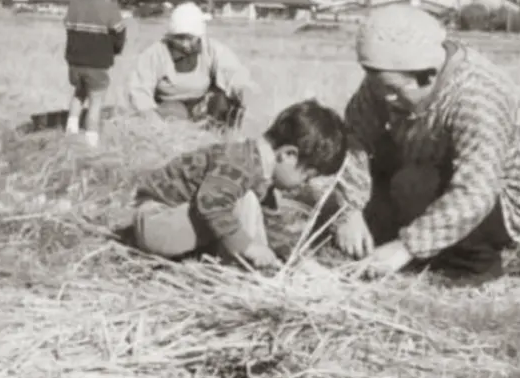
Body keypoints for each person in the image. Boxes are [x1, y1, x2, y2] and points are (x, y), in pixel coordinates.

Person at [332, 3, 520, 286]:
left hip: (499, 197)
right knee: (389, 177)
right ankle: (408, 241)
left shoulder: (477, 97)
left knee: (412, 184)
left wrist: (406, 247)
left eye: (395, 92)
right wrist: (348, 211)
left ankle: (473, 267)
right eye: (378, 86)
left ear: (429, 75)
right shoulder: (387, 82)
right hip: (426, 163)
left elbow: (476, 192)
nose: (385, 99)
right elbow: (356, 141)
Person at [115, 99, 348, 269]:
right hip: (156, 222)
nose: (302, 186)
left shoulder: (259, 174)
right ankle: (237, 273)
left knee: (247, 206)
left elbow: (267, 227)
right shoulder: (239, 163)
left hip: (174, 221)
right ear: (288, 154)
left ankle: (243, 266)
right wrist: (249, 247)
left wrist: (289, 255)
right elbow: (211, 203)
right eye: (307, 176)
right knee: (243, 202)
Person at [127, 1, 253, 128]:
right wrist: (151, 118)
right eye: (179, 38)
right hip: (170, 107)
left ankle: (219, 140)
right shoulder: (155, 54)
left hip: (203, 105)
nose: (184, 44)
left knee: (225, 104)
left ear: (199, 36)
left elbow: (234, 75)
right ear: (171, 36)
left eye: (189, 38)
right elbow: (139, 91)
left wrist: (244, 93)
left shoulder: (213, 50)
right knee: (174, 112)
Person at [63, 0, 127, 147]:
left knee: (78, 95)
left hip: (74, 65)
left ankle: (70, 131)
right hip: (97, 66)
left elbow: (68, 27)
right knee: (96, 102)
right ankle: (92, 141)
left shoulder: (74, 3)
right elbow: (119, 35)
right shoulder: (109, 7)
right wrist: (115, 50)